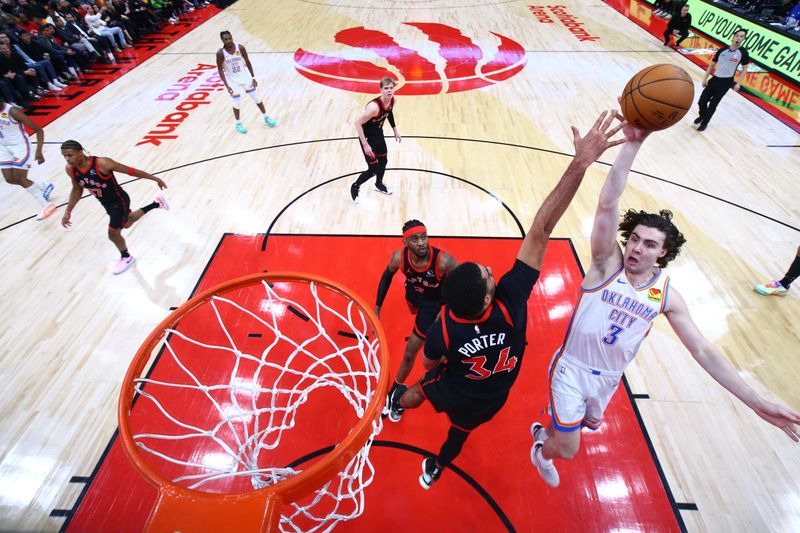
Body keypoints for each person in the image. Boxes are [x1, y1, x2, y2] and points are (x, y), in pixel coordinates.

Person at [529, 119, 800, 489]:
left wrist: (755, 401)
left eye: (649, 244)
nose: (638, 248)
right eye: (635, 239)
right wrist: (633, 144)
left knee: (568, 426)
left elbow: (704, 351)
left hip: (607, 380)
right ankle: (541, 450)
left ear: (664, 253)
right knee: (570, 448)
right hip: (572, 370)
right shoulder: (607, 264)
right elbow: (608, 203)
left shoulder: (667, 295)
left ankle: (549, 430)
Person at [388, 110, 627, 489]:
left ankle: (395, 404)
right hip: (494, 394)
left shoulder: (445, 328)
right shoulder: (510, 300)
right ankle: (436, 466)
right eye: (488, 275)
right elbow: (542, 228)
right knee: (458, 435)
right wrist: (581, 163)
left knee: (420, 388)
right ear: (487, 296)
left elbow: (433, 363)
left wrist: (445, 366)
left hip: (457, 385)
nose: (492, 272)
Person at [379, 220, 459, 421]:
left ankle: (394, 391)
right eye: (415, 239)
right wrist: (377, 308)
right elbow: (386, 277)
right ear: (405, 242)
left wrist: (446, 308)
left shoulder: (444, 262)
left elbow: (461, 284)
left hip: (435, 306)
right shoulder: (399, 258)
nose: (422, 242)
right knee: (415, 315)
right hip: (414, 295)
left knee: (411, 351)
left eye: (424, 237)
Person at [59, 140, 169, 275]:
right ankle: (157, 203)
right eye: (64, 156)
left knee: (113, 234)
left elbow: (131, 171)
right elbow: (77, 189)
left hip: (119, 201)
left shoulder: (102, 163)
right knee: (127, 223)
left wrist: (155, 178)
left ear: (81, 152)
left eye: (70, 155)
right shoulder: (70, 169)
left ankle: (126, 257)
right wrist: (68, 211)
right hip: (105, 203)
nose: (67, 159)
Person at [0, 98, 55, 220]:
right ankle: (43, 186)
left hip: (20, 146)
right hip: (3, 147)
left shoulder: (13, 112)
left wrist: (39, 151)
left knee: (20, 178)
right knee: (9, 179)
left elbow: (38, 129)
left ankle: (46, 205)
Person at [349, 76, 400, 203]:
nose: (389, 91)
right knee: (373, 169)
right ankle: (355, 187)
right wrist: (365, 145)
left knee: (383, 161)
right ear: (381, 90)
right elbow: (357, 123)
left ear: (394, 88)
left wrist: (395, 129)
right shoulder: (374, 107)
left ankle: (379, 184)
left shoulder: (393, 100)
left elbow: (389, 112)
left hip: (378, 134)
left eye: (391, 88)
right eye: (386, 88)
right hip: (367, 138)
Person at [215, 30, 277, 134]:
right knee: (237, 102)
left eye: (230, 38)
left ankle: (266, 117)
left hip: (244, 77)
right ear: (222, 40)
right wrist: (226, 85)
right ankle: (238, 123)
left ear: (232, 37)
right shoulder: (220, 53)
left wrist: (253, 77)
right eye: (226, 39)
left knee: (256, 98)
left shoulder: (240, 48)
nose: (229, 40)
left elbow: (247, 61)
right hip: (232, 80)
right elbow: (220, 69)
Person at [694, 28, 749, 132]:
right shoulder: (722, 50)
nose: (739, 38)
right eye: (737, 35)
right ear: (733, 36)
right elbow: (712, 64)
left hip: (726, 82)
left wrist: (738, 83)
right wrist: (705, 78)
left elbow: (745, 68)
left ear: (744, 39)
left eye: (742, 36)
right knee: (701, 101)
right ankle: (702, 116)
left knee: (713, 104)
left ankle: (705, 123)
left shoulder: (743, 52)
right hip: (714, 79)